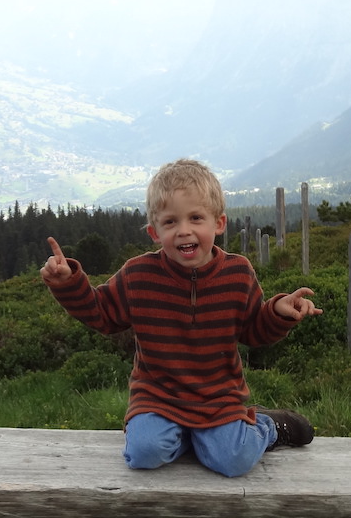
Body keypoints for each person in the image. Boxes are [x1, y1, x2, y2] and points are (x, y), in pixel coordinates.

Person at [40, 158, 323, 477]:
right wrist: (68, 283)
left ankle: (270, 427)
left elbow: (254, 332)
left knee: (235, 460)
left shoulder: (238, 273)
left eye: (196, 218)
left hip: (218, 397)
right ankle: (197, 437)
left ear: (219, 223)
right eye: (170, 222)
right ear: (154, 232)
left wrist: (278, 312)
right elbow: (101, 313)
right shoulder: (137, 274)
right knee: (145, 453)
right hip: (157, 396)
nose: (184, 230)